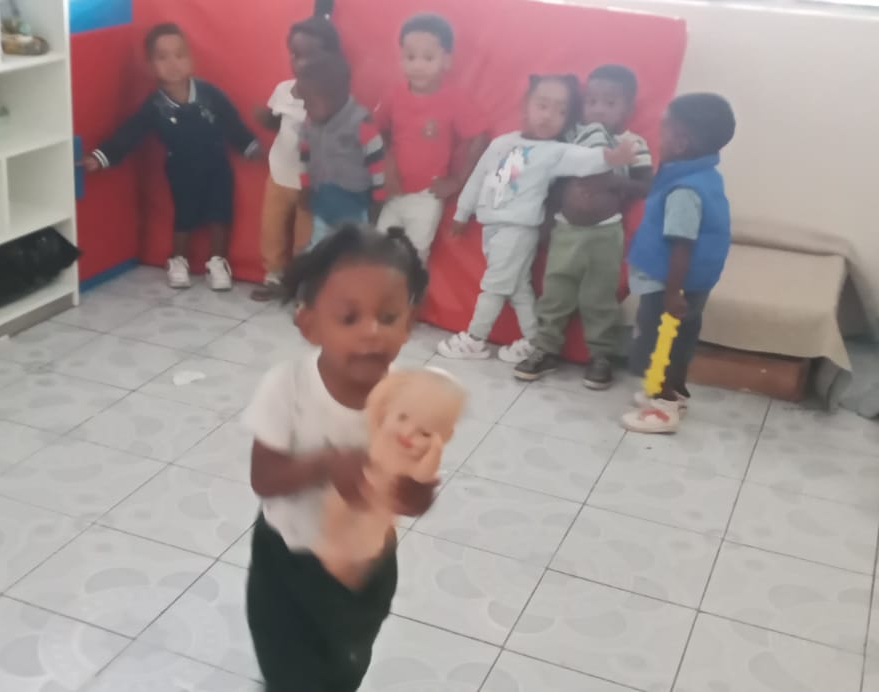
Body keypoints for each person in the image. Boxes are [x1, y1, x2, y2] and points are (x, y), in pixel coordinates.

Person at [243, 224, 435, 692]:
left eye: (387, 317)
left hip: (365, 565)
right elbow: (263, 478)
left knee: (343, 669)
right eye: (349, 318)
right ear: (310, 324)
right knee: (287, 670)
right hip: (286, 560)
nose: (371, 332)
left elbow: (415, 500)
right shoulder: (287, 388)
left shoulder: (410, 401)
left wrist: (413, 486)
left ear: (409, 324)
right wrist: (328, 465)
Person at [437, 74, 638, 363]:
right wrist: (461, 212)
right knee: (518, 287)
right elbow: (478, 177)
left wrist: (613, 157)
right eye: (542, 105)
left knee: (494, 285)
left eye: (560, 110)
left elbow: (585, 159)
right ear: (526, 105)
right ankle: (534, 339)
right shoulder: (501, 143)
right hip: (491, 227)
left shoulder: (555, 152)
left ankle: (474, 338)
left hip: (518, 230)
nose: (548, 116)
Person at [82, 22, 259, 291]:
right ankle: (178, 260)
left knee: (220, 212)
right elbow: (130, 133)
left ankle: (218, 262)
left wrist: (252, 148)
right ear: (150, 66)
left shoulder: (210, 94)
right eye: (162, 57)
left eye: (179, 55)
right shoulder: (154, 105)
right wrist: (101, 156)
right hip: (181, 169)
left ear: (191, 59)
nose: (173, 64)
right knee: (184, 214)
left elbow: (232, 124)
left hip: (217, 165)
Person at [514, 64, 654, 388]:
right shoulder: (572, 136)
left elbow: (647, 185)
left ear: (627, 107)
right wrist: (546, 223)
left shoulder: (632, 143)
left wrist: (615, 183)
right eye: (591, 101)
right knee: (555, 291)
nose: (599, 109)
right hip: (566, 229)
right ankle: (545, 348)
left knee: (599, 297)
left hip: (606, 232)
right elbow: (552, 180)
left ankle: (601, 355)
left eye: (610, 102)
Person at [620, 92, 737, 434]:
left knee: (659, 343)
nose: (659, 138)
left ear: (682, 142)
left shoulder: (684, 190)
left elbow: (681, 244)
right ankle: (676, 393)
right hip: (691, 281)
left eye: (665, 131)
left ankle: (664, 406)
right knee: (679, 338)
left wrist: (672, 292)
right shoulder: (705, 175)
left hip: (671, 283)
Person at [374, 13, 488, 263]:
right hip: (393, 191)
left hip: (427, 196)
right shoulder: (394, 95)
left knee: (414, 256)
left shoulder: (455, 98)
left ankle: (408, 289)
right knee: (379, 251)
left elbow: (479, 137)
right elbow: (376, 129)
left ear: (446, 60)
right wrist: (388, 165)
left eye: (428, 57)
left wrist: (457, 181)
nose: (417, 65)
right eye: (410, 57)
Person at [253, 0, 343, 302]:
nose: (300, 63)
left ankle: (303, 283)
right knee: (272, 230)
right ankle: (274, 276)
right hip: (279, 174)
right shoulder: (283, 89)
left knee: (306, 238)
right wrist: (265, 118)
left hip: (312, 183)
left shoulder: (332, 100)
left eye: (309, 57)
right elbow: (279, 121)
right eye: (295, 55)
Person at [297, 53, 386, 246]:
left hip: (354, 204)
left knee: (351, 248)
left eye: (309, 102)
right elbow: (304, 155)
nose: (305, 107)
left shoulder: (360, 122)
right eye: (303, 101)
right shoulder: (309, 124)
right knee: (319, 246)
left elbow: (378, 163)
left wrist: (379, 198)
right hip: (322, 202)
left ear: (336, 97)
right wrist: (304, 186)